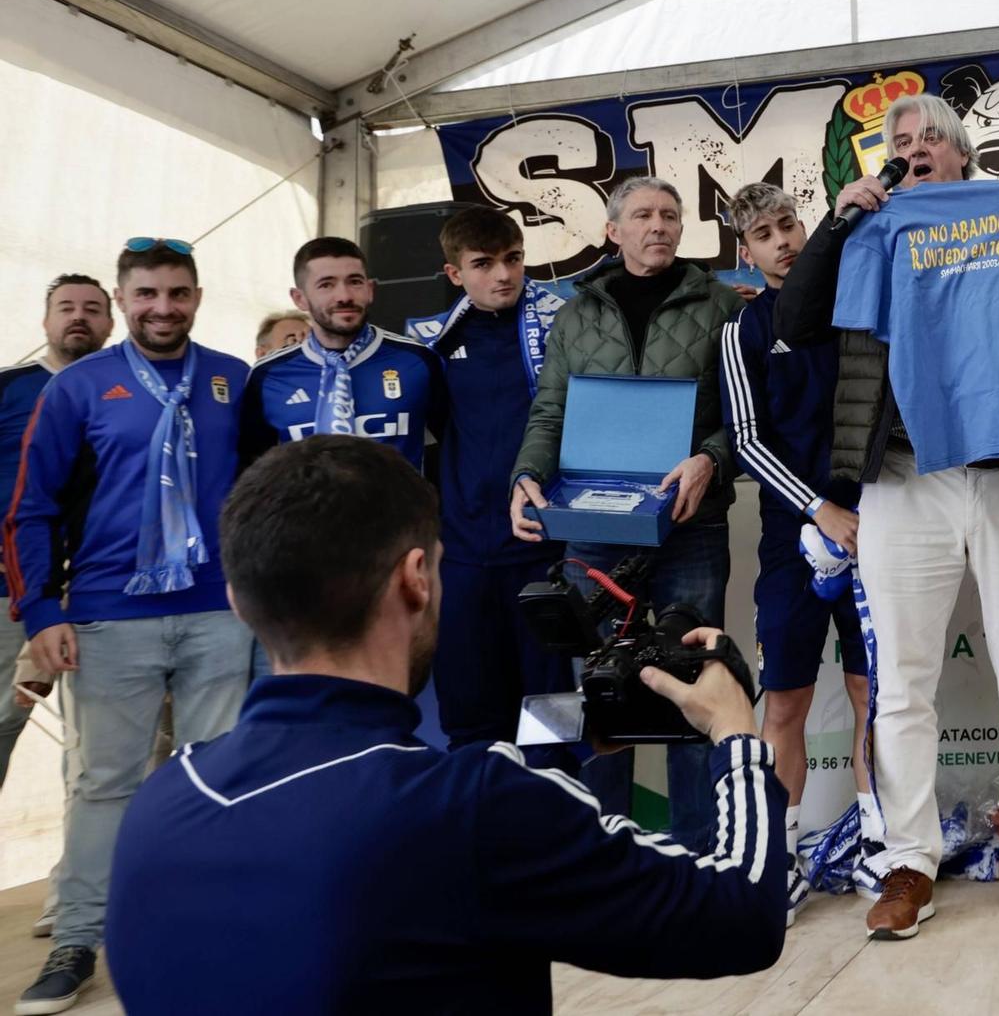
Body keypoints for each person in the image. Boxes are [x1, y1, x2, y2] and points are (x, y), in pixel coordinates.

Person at [104, 435, 786, 1014]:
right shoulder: (473, 809)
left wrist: (573, 744)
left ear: (239, 598)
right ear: (416, 579)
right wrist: (737, 737)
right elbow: (743, 912)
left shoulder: (160, 802)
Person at [774, 93, 999, 939]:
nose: (913, 151)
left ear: (963, 153)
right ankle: (908, 861)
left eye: (929, 139)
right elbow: (797, 321)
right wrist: (839, 223)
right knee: (901, 684)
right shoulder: (874, 224)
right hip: (905, 479)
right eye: (900, 142)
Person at [7, 239, 254, 1013]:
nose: (162, 308)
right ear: (123, 299)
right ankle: (79, 938)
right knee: (102, 785)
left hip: (221, 613)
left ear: (198, 297)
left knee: (215, 778)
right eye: (146, 294)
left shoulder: (234, 381)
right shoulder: (79, 386)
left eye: (177, 293)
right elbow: (30, 506)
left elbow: (262, 495)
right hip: (109, 615)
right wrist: (41, 612)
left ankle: (202, 927)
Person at [509, 176, 744, 846]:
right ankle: (601, 847)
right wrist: (527, 473)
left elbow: (746, 414)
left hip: (691, 525)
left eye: (670, 214)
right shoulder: (575, 312)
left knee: (693, 679)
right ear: (613, 231)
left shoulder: (723, 304)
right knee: (597, 691)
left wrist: (711, 459)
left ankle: (703, 853)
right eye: (642, 214)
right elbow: (550, 409)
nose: (659, 225)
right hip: (593, 526)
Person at [717, 182, 874, 924]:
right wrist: (819, 508)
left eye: (789, 225)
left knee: (875, 696)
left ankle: (883, 839)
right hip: (792, 534)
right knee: (784, 701)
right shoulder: (743, 326)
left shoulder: (854, 299)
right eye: (764, 234)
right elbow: (745, 440)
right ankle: (780, 856)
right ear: (744, 250)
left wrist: (855, 509)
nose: (781, 241)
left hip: (874, 522)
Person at [404, 210, 573, 755]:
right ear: (455, 274)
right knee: (472, 720)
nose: (503, 274)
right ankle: (484, 835)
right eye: (483, 264)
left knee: (553, 719)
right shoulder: (428, 345)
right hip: (466, 558)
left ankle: (551, 832)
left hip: (546, 552)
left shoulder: (566, 325)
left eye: (513, 258)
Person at [1, 276, 114, 792]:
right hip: (13, 595)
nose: (79, 317)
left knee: (102, 752)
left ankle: (97, 871)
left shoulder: (130, 387)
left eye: (93, 309)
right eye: (66, 307)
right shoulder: (10, 387)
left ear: (110, 324)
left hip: (103, 592)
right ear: (45, 320)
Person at [240, 237, 447, 474]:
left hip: (399, 511)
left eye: (354, 282)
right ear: (300, 298)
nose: (344, 296)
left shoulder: (417, 360)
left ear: (370, 290)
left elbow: (455, 450)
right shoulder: (267, 375)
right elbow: (252, 471)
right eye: (326, 285)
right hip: (306, 511)